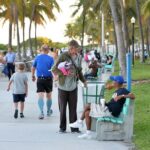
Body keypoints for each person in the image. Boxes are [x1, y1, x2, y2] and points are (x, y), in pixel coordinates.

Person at [69, 75, 135, 139]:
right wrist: (105, 103)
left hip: (110, 112)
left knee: (88, 105)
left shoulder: (123, 90)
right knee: (87, 112)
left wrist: (122, 96)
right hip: (107, 109)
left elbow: (133, 96)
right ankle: (88, 133)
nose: (112, 82)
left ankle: (80, 122)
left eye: (113, 81)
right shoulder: (117, 90)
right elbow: (112, 100)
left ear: (117, 83)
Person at [52, 40, 87, 133]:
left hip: (73, 86)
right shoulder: (63, 56)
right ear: (71, 48)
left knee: (73, 108)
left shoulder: (79, 57)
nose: (77, 50)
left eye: (78, 48)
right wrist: (65, 73)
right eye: (76, 48)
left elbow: (79, 71)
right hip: (63, 86)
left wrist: (84, 81)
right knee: (62, 108)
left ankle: (74, 128)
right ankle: (62, 128)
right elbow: (54, 69)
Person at [32, 45, 54, 119]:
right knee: (49, 96)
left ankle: (41, 112)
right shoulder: (51, 59)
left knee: (40, 96)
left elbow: (33, 67)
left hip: (40, 79)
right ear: (48, 50)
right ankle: (48, 111)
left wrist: (33, 75)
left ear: (41, 50)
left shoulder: (37, 57)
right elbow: (53, 69)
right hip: (48, 79)